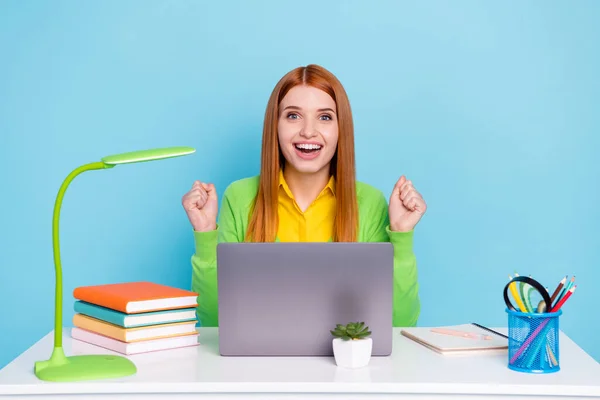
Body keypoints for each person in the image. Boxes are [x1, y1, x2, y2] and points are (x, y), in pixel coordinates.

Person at [181, 64, 427, 328]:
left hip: (345, 366)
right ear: (274, 125)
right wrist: (206, 234)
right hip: (259, 366)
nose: (308, 131)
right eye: (293, 116)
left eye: (324, 117)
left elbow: (400, 323)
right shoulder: (240, 198)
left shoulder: (368, 203)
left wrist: (401, 238)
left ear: (341, 128)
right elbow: (213, 322)